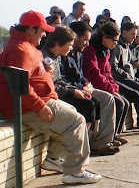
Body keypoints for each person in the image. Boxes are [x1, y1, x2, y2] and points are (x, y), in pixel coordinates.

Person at [0, 10, 101, 184]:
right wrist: (40, 107)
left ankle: (54, 159)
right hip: (28, 107)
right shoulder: (20, 49)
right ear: (31, 29)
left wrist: (44, 72)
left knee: (74, 114)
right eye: (42, 30)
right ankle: (74, 171)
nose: (45, 34)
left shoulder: (24, 45)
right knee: (76, 121)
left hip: (36, 102)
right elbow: (20, 86)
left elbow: (29, 76)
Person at [42, 26, 119, 156]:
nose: (71, 47)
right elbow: (52, 84)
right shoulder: (47, 57)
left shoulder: (60, 56)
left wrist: (84, 84)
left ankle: (95, 142)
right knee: (87, 106)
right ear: (59, 43)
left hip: (71, 88)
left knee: (100, 101)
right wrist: (75, 91)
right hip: (54, 97)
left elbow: (66, 78)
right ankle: (75, 150)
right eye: (70, 44)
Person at [62, 22, 122, 152]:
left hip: (84, 87)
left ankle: (106, 138)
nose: (87, 43)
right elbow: (93, 73)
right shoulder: (83, 51)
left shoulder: (78, 53)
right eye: (85, 40)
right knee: (105, 99)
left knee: (117, 101)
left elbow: (83, 74)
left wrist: (85, 83)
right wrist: (80, 88)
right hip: (74, 90)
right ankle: (99, 142)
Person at [82, 22, 130, 146]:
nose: (115, 44)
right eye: (114, 40)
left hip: (104, 86)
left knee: (124, 102)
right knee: (117, 102)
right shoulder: (91, 50)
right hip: (94, 86)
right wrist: (110, 89)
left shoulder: (105, 51)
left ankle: (114, 134)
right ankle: (103, 139)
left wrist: (114, 87)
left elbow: (107, 73)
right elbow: (94, 73)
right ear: (104, 38)